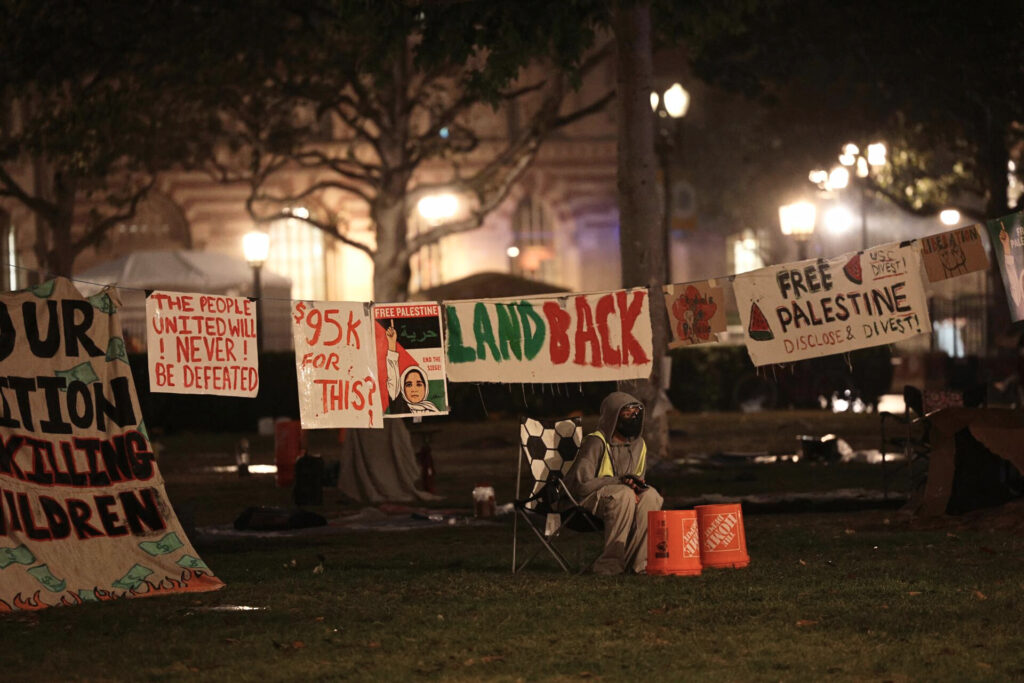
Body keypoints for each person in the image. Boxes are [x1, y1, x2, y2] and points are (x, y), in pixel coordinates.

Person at [564, 391, 663, 575]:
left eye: (636, 412)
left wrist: (636, 487)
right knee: (623, 496)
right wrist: (619, 481)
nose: (633, 417)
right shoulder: (596, 442)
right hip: (586, 500)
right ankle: (609, 565)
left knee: (651, 496)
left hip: (623, 496)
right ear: (613, 416)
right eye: (627, 413)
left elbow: (638, 478)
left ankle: (639, 564)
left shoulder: (640, 445)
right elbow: (581, 486)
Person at [385, 321, 440, 414]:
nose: (414, 389)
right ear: (403, 388)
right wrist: (392, 343)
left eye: (419, 384)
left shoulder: (433, 410)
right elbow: (393, 378)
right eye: (409, 385)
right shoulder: (400, 406)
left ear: (425, 387)